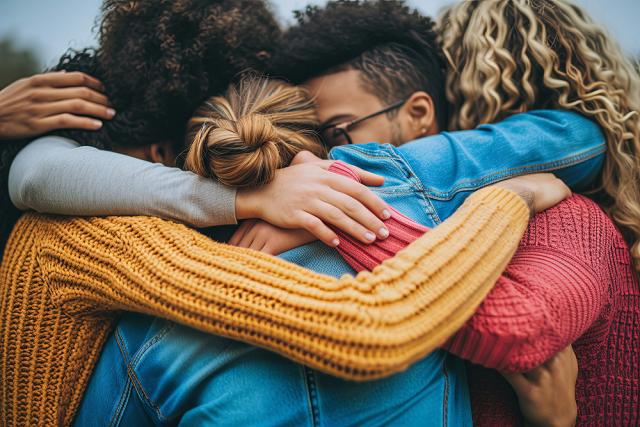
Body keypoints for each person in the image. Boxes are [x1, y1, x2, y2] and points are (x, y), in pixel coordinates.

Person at [2, 0, 636, 426]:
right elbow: (576, 135)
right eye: (324, 135)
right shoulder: (415, 178)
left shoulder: (137, 318)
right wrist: (512, 197)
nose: (333, 151)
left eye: (339, 131)